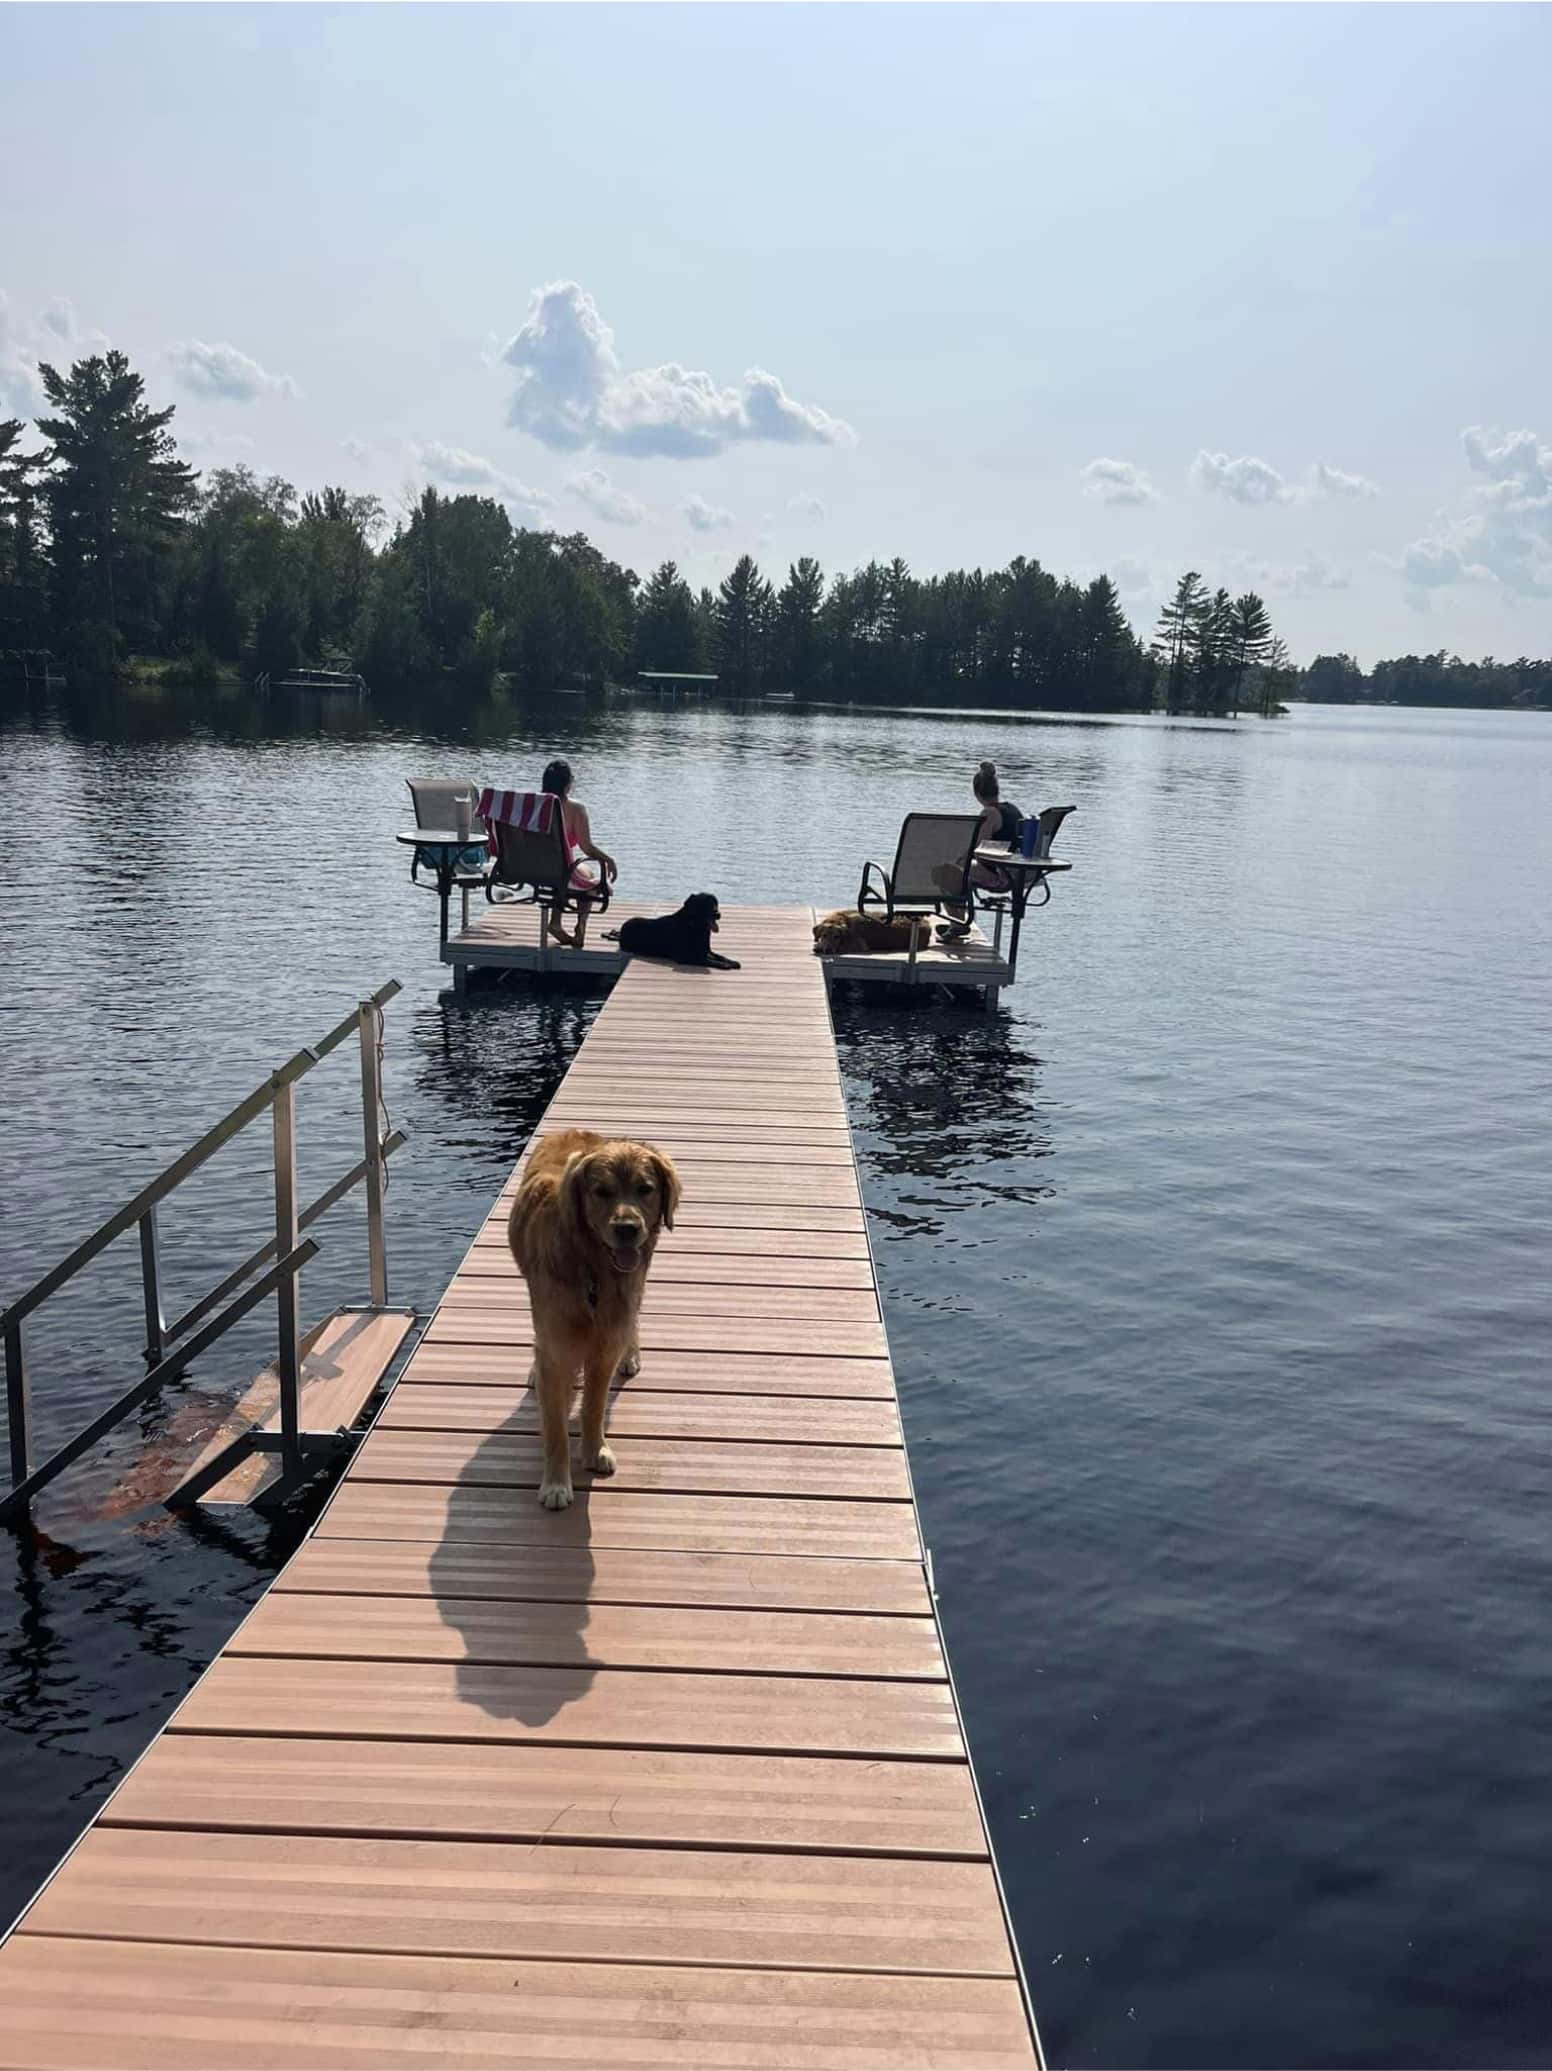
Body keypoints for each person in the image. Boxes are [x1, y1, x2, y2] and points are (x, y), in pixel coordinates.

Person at [940, 759, 1024, 939]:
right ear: (997, 790)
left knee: (946, 872)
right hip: (1016, 875)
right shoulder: (1012, 810)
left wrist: (959, 858)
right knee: (959, 869)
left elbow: (978, 850)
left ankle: (958, 924)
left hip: (999, 877)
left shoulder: (988, 814)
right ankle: (960, 920)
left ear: (977, 793)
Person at [541, 757, 617, 949]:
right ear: (567, 784)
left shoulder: (534, 806)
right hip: (561, 871)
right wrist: (608, 860)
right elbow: (587, 847)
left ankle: (556, 921)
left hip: (535, 870)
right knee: (589, 878)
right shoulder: (575, 808)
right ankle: (580, 926)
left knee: (565, 871)